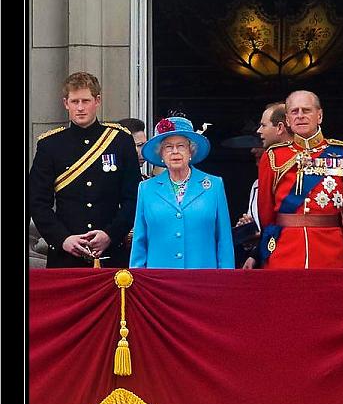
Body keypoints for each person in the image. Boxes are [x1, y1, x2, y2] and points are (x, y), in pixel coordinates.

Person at [29, 71, 142, 268]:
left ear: (97, 101)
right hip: (65, 257)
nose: (80, 108)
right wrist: (62, 239)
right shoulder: (50, 144)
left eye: (85, 101)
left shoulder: (119, 140)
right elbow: (37, 202)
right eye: (74, 102)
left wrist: (110, 235)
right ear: (66, 103)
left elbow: (133, 198)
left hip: (112, 254)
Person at [258, 90, 343, 269]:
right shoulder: (273, 156)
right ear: (287, 119)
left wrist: (338, 237)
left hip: (330, 250)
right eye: (294, 111)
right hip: (285, 251)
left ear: (320, 115)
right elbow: (266, 211)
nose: (300, 116)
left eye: (306, 110)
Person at [129, 116, 234, 269]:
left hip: (202, 281)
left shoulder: (214, 186)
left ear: (191, 150)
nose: (175, 151)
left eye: (181, 146)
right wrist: (137, 282)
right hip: (159, 283)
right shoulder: (146, 189)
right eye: (168, 147)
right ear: (161, 155)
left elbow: (224, 240)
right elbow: (140, 241)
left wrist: (225, 282)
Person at [237, 102, 294, 269]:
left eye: (263, 125)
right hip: (269, 256)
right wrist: (250, 236)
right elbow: (267, 223)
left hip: (293, 253)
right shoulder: (258, 182)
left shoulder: (302, 165)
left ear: (280, 127)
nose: (259, 132)